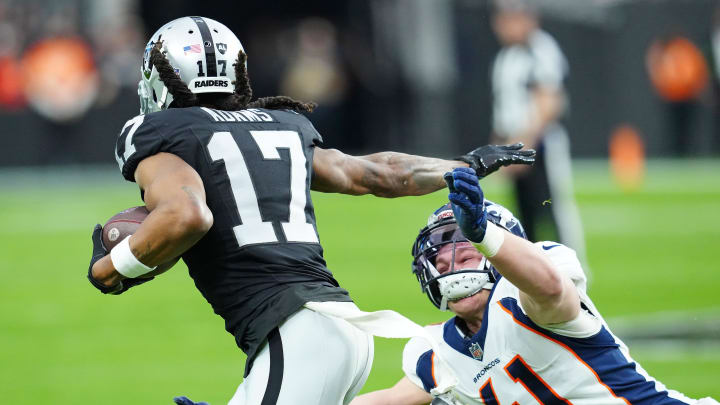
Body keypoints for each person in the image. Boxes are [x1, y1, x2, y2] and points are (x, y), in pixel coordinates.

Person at [85, 16, 535, 405]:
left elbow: (187, 216)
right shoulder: (279, 125)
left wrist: (112, 267)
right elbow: (372, 174)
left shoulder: (160, 131)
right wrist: (463, 166)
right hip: (340, 328)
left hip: (296, 333)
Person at [350, 168, 719, 405]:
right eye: (441, 263)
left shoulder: (527, 292)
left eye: (464, 258)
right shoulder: (436, 351)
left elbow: (550, 290)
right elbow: (390, 400)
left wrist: (484, 235)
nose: (450, 273)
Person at [490, 0, 587, 264]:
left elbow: (549, 101)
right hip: (515, 145)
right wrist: (500, 151)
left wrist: (525, 146)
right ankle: (534, 272)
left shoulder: (540, 49)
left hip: (541, 144)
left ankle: (573, 269)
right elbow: (504, 110)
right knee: (523, 215)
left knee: (555, 208)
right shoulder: (506, 57)